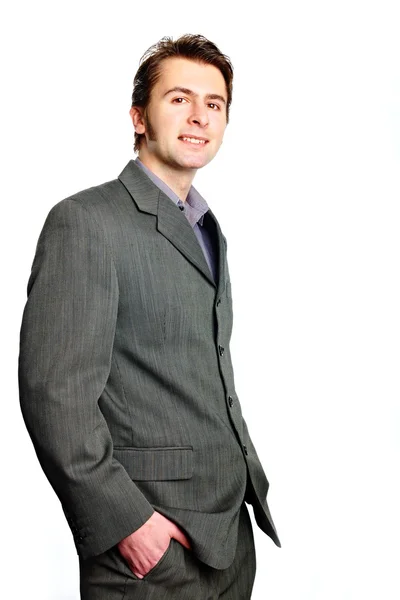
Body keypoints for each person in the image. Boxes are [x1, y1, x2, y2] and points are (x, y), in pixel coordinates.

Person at [19, 34, 280, 600]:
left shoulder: (207, 228)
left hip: (228, 538)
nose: (198, 116)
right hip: (150, 547)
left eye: (214, 104)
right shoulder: (86, 221)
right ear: (139, 116)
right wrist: (127, 523)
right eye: (179, 98)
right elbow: (52, 394)